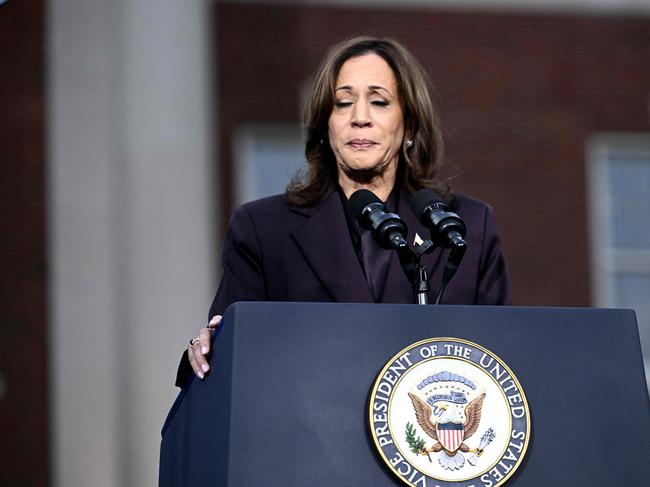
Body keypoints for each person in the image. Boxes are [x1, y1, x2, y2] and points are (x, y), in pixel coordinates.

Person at [178, 36, 510, 386]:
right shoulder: (263, 230)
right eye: (342, 103)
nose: (359, 118)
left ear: (410, 125)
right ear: (325, 125)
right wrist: (207, 350)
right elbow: (224, 365)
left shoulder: (464, 228)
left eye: (379, 102)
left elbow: (507, 361)